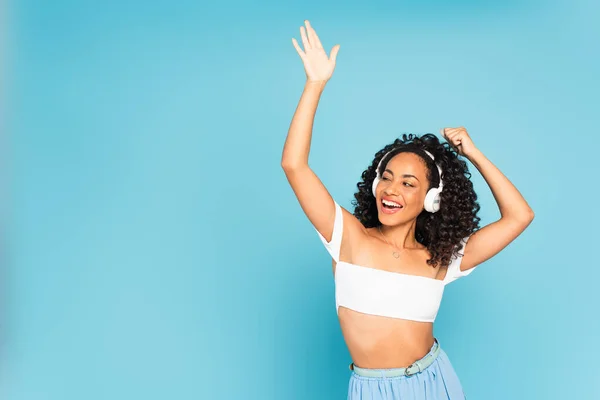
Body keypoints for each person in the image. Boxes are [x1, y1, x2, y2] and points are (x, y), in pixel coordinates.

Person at [281, 20, 534, 400]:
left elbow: (519, 216)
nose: (391, 188)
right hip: (370, 389)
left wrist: (474, 154)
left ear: (431, 199)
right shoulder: (347, 237)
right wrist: (315, 84)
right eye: (386, 176)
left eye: (408, 183)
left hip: (435, 382)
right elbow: (294, 166)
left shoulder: (441, 259)